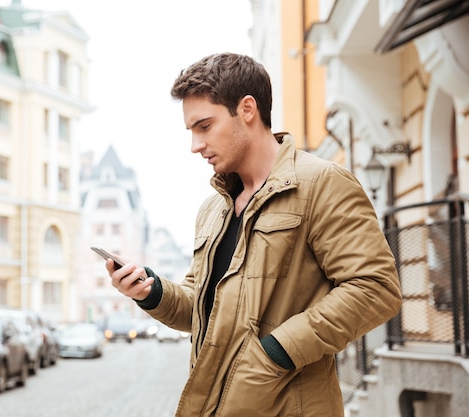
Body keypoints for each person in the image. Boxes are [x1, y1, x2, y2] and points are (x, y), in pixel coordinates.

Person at [103, 52, 402, 417]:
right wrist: (151, 292)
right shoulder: (213, 210)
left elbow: (376, 288)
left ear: (247, 109)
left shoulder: (322, 183)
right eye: (191, 131)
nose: (195, 146)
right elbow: (201, 309)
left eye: (204, 126)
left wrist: (276, 351)